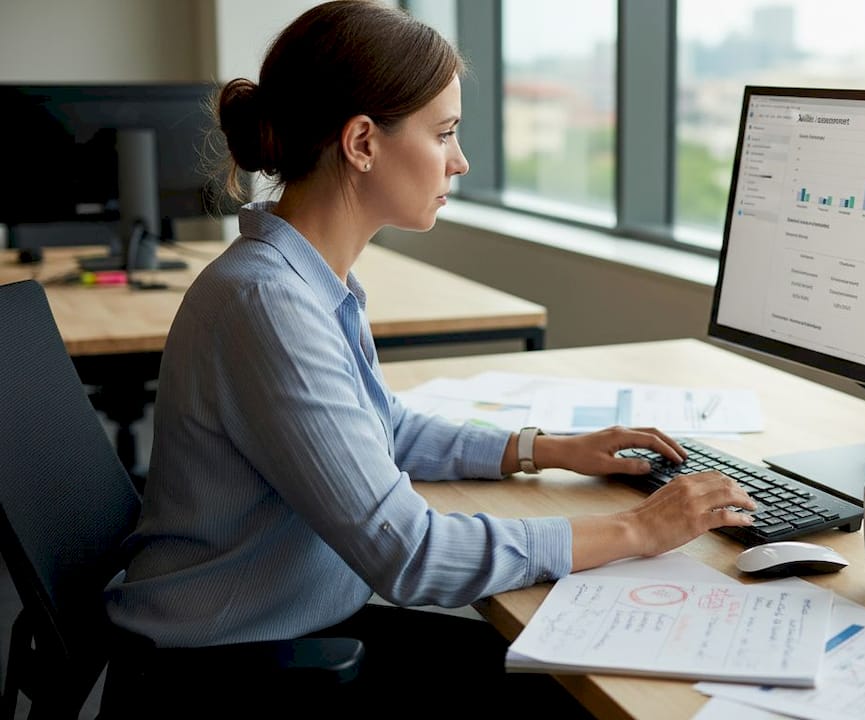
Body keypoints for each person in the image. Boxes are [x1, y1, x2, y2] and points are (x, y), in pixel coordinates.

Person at [102, 1, 755, 714]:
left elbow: (385, 431)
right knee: (579, 697)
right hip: (230, 672)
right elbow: (410, 557)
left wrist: (545, 448)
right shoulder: (268, 305)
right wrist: (637, 529)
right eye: (443, 132)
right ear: (362, 142)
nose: (460, 160)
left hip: (294, 628)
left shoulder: (305, 278)